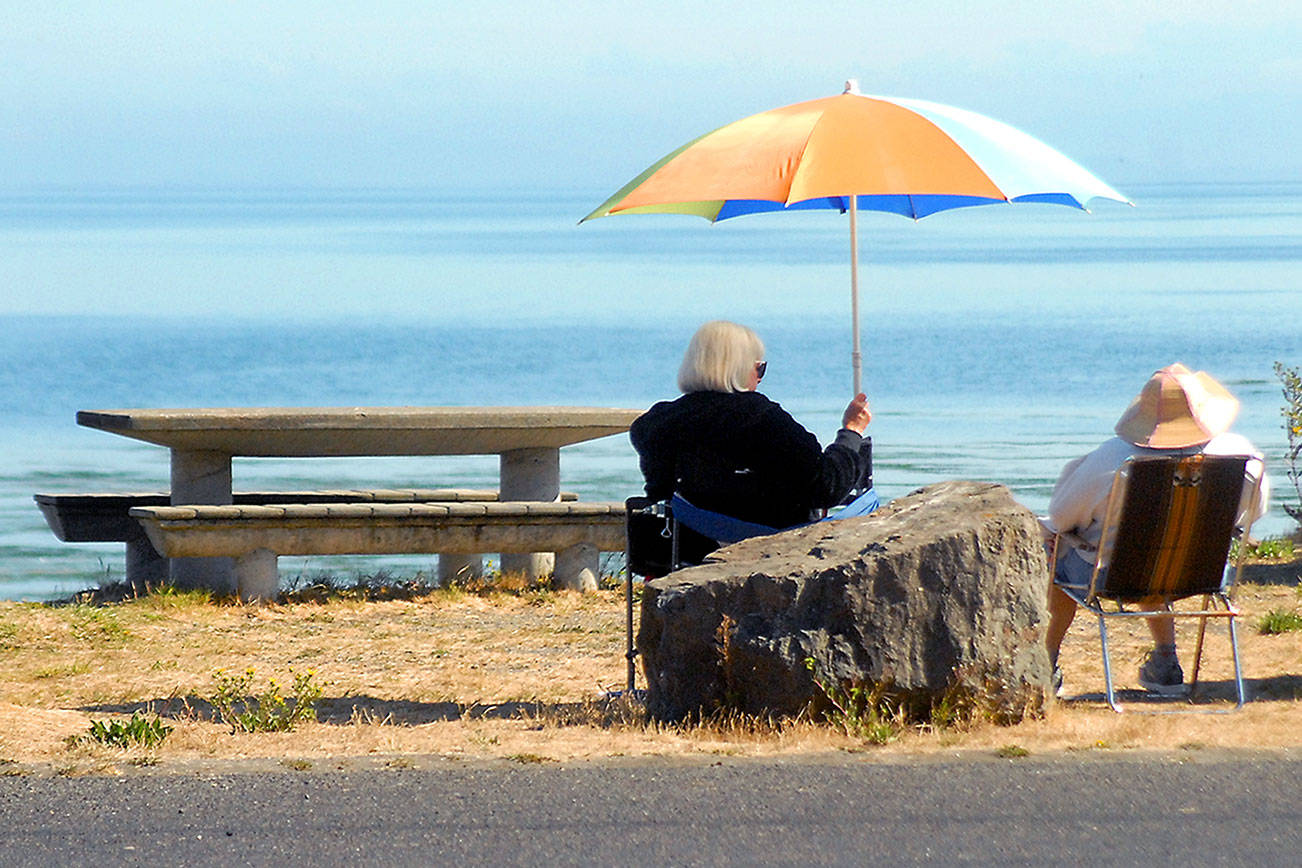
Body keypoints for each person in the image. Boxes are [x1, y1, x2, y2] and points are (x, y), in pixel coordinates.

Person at [1044, 363, 1270, 696]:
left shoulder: (1114, 457)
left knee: (1060, 551)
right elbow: (1254, 513)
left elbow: (1062, 517)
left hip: (1119, 575)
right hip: (1203, 573)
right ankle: (1165, 663)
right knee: (1167, 546)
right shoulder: (1241, 455)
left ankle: (1046, 664)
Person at [630, 320, 873, 554]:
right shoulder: (762, 419)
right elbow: (827, 487)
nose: (759, 377)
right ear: (739, 368)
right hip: (768, 549)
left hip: (684, 549)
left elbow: (660, 493)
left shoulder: (657, 423)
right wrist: (850, 433)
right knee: (867, 506)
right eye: (760, 368)